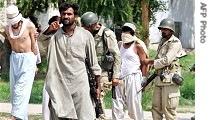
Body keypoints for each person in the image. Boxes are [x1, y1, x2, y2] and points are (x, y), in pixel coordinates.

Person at [38, 2, 101, 119]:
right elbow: (41, 41)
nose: (66, 16)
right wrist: (50, 30)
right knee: (60, 115)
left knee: (84, 116)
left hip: (80, 84)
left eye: (69, 14)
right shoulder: (54, 36)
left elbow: (94, 63)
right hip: (59, 84)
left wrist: (98, 86)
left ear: (75, 16)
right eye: (63, 14)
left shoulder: (86, 35)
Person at [0, 4, 38, 120]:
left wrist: (35, 64)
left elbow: (34, 46)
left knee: (20, 90)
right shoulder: (7, 28)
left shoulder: (29, 26)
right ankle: (22, 117)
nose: (14, 24)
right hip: (14, 59)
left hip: (28, 59)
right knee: (14, 90)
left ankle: (14, 116)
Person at [81, 11, 121, 119]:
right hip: (88, 71)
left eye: (88, 27)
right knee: (89, 99)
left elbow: (117, 55)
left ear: (95, 24)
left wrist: (115, 76)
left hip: (103, 72)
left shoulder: (107, 34)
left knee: (98, 98)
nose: (86, 29)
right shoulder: (87, 34)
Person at [143, 18, 183, 120]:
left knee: (169, 110)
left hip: (170, 80)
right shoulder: (162, 42)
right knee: (156, 108)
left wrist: (151, 62)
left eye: (166, 29)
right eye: (162, 29)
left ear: (171, 30)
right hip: (159, 79)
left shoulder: (175, 42)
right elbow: (159, 58)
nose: (163, 31)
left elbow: (167, 60)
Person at [111, 22, 148, 120]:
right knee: (117, 105)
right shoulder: (119, 44)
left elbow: (144, 63)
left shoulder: (138, 46)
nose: (125, 35)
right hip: (119, 78)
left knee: (134, 105)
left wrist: (144, 78)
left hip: (133, 77)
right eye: (124, 32)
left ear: (133, 34)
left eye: (128, 32)